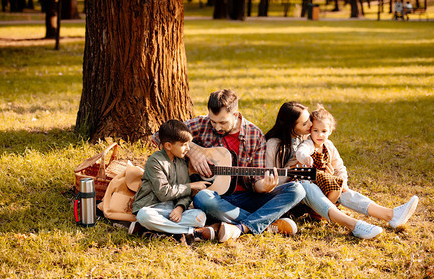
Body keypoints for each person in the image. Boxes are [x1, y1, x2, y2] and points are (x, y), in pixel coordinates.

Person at [265, 102, 418, 239]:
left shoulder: (307, 138)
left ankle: (390, 215)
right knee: (304, 184)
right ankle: (353, 225)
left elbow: (336, 165)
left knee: (339, 187)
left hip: (312, 192)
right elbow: (271, 183)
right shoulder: (274, 145)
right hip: (289, 196)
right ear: (292, 125)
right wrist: (294, 171)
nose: (311, 125)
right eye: (306, 123)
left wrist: (335, 178)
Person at [185, 89, 306, 243]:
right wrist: (191, 153)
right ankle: (266, 225)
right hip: (214, 197)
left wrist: (266, 186)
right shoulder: (202, 123)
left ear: (235, 115)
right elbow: (161, 134)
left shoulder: (254, 135)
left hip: (246, 198)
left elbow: (256, 183)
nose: (216, 127)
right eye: (213, 121)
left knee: (297, 190)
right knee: (202, 197)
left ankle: (238, 228)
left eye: (222, 122)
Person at [129, 119, 215, 243]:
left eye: (188, 144)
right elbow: (163, 193)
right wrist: (191, 186)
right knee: (143, 215)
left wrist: (180, 207)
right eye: (183, 145)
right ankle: (192, 232)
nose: (187, 149)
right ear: (168, 146)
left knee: (200, 217)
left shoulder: (181, 162)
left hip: (172, 211)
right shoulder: (155, 162)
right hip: (153, 208)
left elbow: (185, 195)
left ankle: (150, 230)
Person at [294, 104, 345, 204]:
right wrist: (305, 158)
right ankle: (324, 212)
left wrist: (344, 182)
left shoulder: (329, 146)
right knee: (335, 187)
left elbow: (339, 166)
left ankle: (322, 211)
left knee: (338, 186)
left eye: (324, 131)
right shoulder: (309, 143)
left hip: (323, 181)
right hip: (309, 180)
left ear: (330, 131)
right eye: (315, 130)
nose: (319, 135)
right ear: (310, 130)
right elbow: (301, 152)